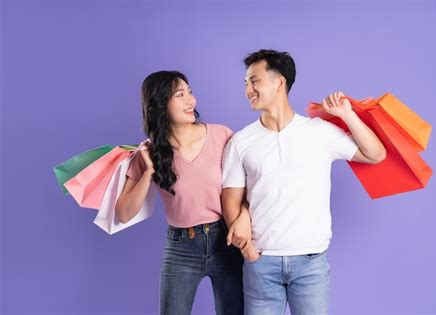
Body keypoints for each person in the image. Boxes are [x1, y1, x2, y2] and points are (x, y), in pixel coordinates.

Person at [222, 49, 386, 315]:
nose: (248, 89)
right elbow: (230, 201)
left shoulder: (319, 132)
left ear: (279, 82)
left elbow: (375, 154)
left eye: (254, 80)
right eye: (245, 83)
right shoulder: (241, 142)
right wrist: (250, 252)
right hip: (261, 263)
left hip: (311, 264)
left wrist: (346, 114)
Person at [115, 70, 245, 315]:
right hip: (181, 248)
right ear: (161, 105)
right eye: (180, 95)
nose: (191, 101)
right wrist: (148, 172)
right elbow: (123, 213)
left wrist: (244, 220)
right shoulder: (150, 152)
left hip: (225, 241)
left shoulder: (222, 135)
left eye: (190, 92)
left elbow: (245, 190)